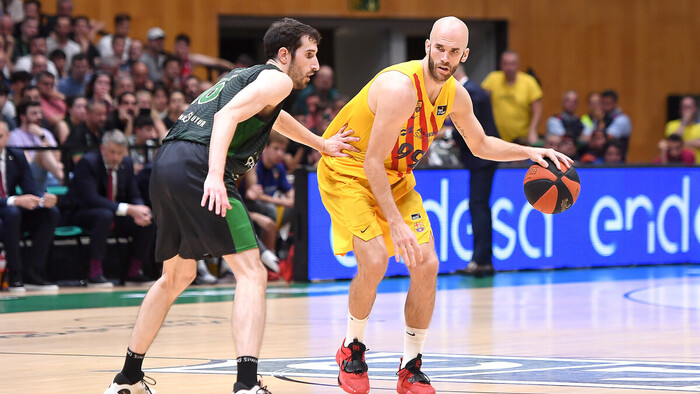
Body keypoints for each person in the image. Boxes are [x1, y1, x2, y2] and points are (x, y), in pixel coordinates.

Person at [103, 18, 358, 394]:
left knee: (175, 277)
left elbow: (275, 118)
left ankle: (127, 378)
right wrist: (214, 175)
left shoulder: (252, 79)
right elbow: (225, 118)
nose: (315, 64)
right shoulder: (279, 79)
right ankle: (246, 385)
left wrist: (321, 144)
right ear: (284, 55)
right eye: (309, 55)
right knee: (252, 273)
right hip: (200, 166)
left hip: (168, 162)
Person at [317, 16, 571, 394]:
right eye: (440, 48)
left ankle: (411, 366)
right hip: (349, 173)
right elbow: (372, 162)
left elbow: (481, 145)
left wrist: (529, 151)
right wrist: (395, 224)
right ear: (428, 46)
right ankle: (351, 348)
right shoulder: (400, 88)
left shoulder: (457, 94)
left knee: (428, 263)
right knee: (374, 260)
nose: (445, 57)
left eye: (454, 51)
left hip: (396, 180)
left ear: (464, 55)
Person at [62, 130, 155, 287]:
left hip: (113, 213)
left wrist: (141, 209)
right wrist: (129, 209)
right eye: (112, 152)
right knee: (104, 215)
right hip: (81, 212)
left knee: (149, 219)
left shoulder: (126, 163)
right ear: (102, 148)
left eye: (119, 153)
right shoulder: (88, 162)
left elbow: (134, 193)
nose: (115, 158)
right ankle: (95, 273)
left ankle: (134, 272)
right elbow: (92, 199)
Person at [450, 64, 499, 277]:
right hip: (482, 160)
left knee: (478, 207)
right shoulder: (475, 91)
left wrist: (448, 134)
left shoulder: (470, 93)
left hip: (483, 160)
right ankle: (482, 259)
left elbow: (470, 130)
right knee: (479, 207)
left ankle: (481, 261)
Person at [0, 120, 60, 293]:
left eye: (0, 136)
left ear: (8, 136)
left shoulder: (16, 156)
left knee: (50, 213)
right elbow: (17, 201)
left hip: (12, 213)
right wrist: (15, 200)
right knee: (12, 212)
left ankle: (33, 271)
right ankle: (15, 274)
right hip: (8, 212)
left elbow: (30, 189)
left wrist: (42, 200)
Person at [481, 50, 542, 145]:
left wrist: (532, 131)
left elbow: (537, 110)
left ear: (518, 65)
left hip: (521, 139)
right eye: (506, 64)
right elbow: (481, 100)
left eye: (513, 64)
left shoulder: (529, 82)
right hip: (497, 137)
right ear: (501, 65)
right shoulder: (493, 78)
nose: (509, 67)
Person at [664, 96, 700, 164]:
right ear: (680, 110)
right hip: (678, 165)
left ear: (694, 109)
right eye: (683, 107)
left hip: (697, 166)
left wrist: (681, 143)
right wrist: (683, 122)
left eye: (688, 107)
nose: (686, 110)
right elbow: (673, 142)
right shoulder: (671, 125)